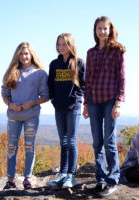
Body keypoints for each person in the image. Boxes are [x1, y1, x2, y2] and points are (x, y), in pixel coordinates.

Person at [82, 16, 126, 197]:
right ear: (95, 31)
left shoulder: (117, 51)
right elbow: (88, 79)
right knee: (97, 141)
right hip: (94, 99)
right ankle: (100, 179)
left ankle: (113, 180)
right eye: (99, 28)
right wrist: (85, 102)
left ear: (110, 30)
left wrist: (119, 102)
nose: (102, 31)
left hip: (110, 99)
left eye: (105, 28)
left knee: (109, 140)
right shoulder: (91, 53)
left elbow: (122, 77)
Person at [1, 42, 49, 189]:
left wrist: (32, 102)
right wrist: (10, 104)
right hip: (14, 117)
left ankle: (27, 178)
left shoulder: (40, 73)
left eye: (26, 53)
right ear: (17, 55)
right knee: (11, 147)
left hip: (31, 116)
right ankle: (10, 180)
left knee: (29, 147)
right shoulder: (11, 72)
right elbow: (4, 95)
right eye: (21, 54)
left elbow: (46, 96)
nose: (24, 56)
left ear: (32, 54)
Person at [47, 33, 85, 188]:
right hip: (59, 108)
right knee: (63, 141)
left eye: (65, 44)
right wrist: (54, 100)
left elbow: (83, 85)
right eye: (59, 44)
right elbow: (50, 85)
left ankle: (70, 175)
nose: (62, 47)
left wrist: (75, 99)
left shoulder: (79, 63)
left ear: (71, 45)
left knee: (71, 140)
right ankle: (62, 174)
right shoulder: (54, 64)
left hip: (73, 108)